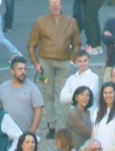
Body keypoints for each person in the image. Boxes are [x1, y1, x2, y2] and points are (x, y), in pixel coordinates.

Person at [27, 0, 82, 139]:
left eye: (57, 3)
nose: (55, 6)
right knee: (48, 94)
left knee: (65, 95)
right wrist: (35, 63)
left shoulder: (71, 21)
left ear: (62, 5)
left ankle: (68, 125)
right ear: (48, 6)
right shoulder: (40, 22)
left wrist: (72, 60)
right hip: (45, 62)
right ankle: (51, 126)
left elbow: (77, 42)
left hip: (64, 62)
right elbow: (31, 44)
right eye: (52, 3)